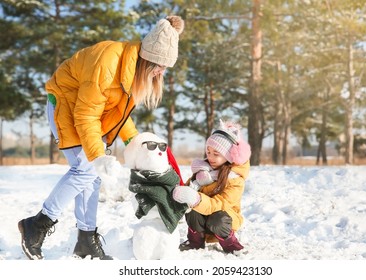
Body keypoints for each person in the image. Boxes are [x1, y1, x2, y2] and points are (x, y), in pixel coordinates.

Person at [17, 15, 185, 260]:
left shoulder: (131, 73)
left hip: (85, 112)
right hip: (65, 105)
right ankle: (36, 224)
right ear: (148, 59)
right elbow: (86, 114)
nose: (161, 73)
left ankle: (85, 240)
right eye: (160, 67)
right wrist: (98, 155)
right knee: (86, 170)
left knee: (91, 177)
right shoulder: (108, 62)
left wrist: (135, 141)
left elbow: (118, 115)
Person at [172, 120, 251, 253]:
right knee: (192, 210)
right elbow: (188, 189)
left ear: (229, 156)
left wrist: (196, 199)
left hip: (223, 219)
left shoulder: (235, 179)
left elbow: (221, 204)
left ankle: (231, 245)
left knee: (217, 218)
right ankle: (195, 241)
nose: (210, 157)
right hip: (203, 218)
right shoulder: (203, 171)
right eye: (208, 152)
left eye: (216, 154)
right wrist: (181, 191)